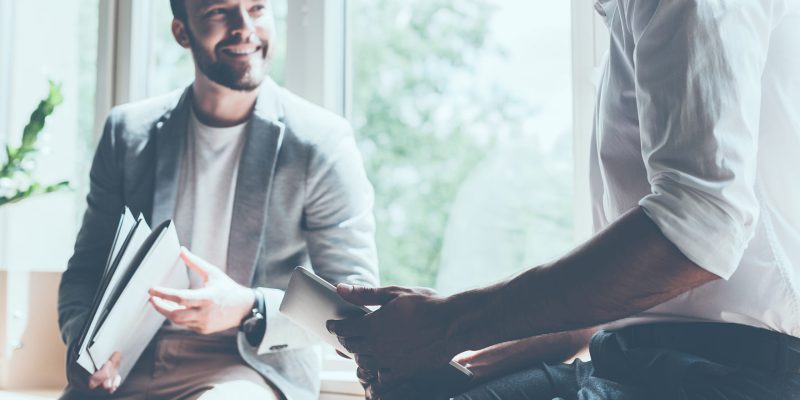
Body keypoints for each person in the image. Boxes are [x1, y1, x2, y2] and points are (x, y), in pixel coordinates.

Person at [328, 0, 800, 398]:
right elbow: (638, 287)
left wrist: (450, 324)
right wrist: (465, 360)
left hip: (731, 372)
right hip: (647, 357)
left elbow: (701, 227)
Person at [57, 0, 378, 399]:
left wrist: (248, 306)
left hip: (246, 370)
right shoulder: (128, 133)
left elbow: (355, 308)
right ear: (181, 31)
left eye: (258, 8)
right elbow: (85, 272)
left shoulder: (320, 142)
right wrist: (81, 345)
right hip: (124, 369)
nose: (244, 27)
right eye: (219, 11)